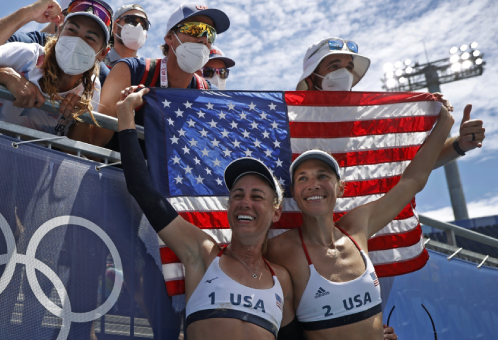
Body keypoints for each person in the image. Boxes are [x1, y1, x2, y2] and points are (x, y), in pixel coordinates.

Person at [115, 84, 297, 339]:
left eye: (257, 196)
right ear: (229, 206)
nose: (245, 202)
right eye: (237, 195)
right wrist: (125, 115)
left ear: (275, 212)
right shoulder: (203, 255)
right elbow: (143, 191)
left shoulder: (283, 280)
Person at [266, 100, 454, 339]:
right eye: (303, 178)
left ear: (341, 188)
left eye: (322, 176)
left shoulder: (356, 229)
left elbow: (412, 181)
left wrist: (445, 123)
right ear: (294, 192)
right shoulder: (279, 248)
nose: (313, 184)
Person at [0, 0, 112, 136]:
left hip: (27, 170)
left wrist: (80, 119)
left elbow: (78, 152)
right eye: (72, 29)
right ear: (59, 31)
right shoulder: (27, 54)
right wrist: (5, 76)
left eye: (90, 37)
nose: (77, 41)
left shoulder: (92, 87)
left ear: (102, 54)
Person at [295, 37, 485, 168]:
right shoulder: (286, 125)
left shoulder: (370, 122)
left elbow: (414, 164)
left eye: (349, 67)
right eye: (334, 66)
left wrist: (460, 144)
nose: (344, 74)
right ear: (311, 79)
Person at [72, 3, 229, 148]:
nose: (203, 39)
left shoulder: (210, 94)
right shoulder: (130, 70)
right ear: (169, 37)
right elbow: (95, 142)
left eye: (210, 34)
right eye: (194, 29)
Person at [0, 0, 111, 91]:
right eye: (75, 14)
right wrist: (27, 14)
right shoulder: (29, 47)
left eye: (91, 34)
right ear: (59, 20)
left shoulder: (97, 73)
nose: (79, 40)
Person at [103, 4, 150, 68]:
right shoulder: (98, 61)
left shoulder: (147, 71)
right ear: (114, 27)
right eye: (132, 20)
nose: (139, 27)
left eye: (144, 24)